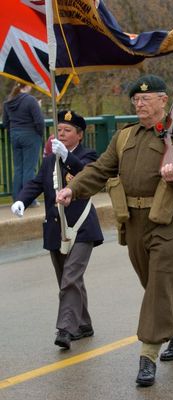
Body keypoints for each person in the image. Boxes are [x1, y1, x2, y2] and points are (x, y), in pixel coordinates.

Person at [56, 75, 173, 385]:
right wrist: (75, 189)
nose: (139, 103)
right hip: (134, 222)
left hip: (167, 220)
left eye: (146, 99)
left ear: (164, 101)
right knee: (153, 284)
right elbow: (100, 170)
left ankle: (147, 355)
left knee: (159, 283)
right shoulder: (124, 137)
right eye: (136, 99)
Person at [11, 110, 104, 350]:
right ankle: (84, 324)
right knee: (67, 279)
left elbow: (89, 175)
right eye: (59, 130)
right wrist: (21, 199)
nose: (61, 135)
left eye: (68, 131)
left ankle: (65, 329)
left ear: (79, 135)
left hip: (81, 228)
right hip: (56, 227)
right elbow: (37, 182)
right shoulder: (51, 159)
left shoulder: (88, 155)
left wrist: (68, 159)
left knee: (70, 277)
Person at [2, 82, 44, 206]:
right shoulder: (31, 101)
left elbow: (5, 123)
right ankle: (28, 200)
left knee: (19, 168)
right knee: (29, 169)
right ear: (27, 86)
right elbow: (39, 121)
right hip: (30, 135)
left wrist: (14, 132)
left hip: (15, 136)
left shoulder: (8, 101)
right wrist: (39, 134)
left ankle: (17, 199)